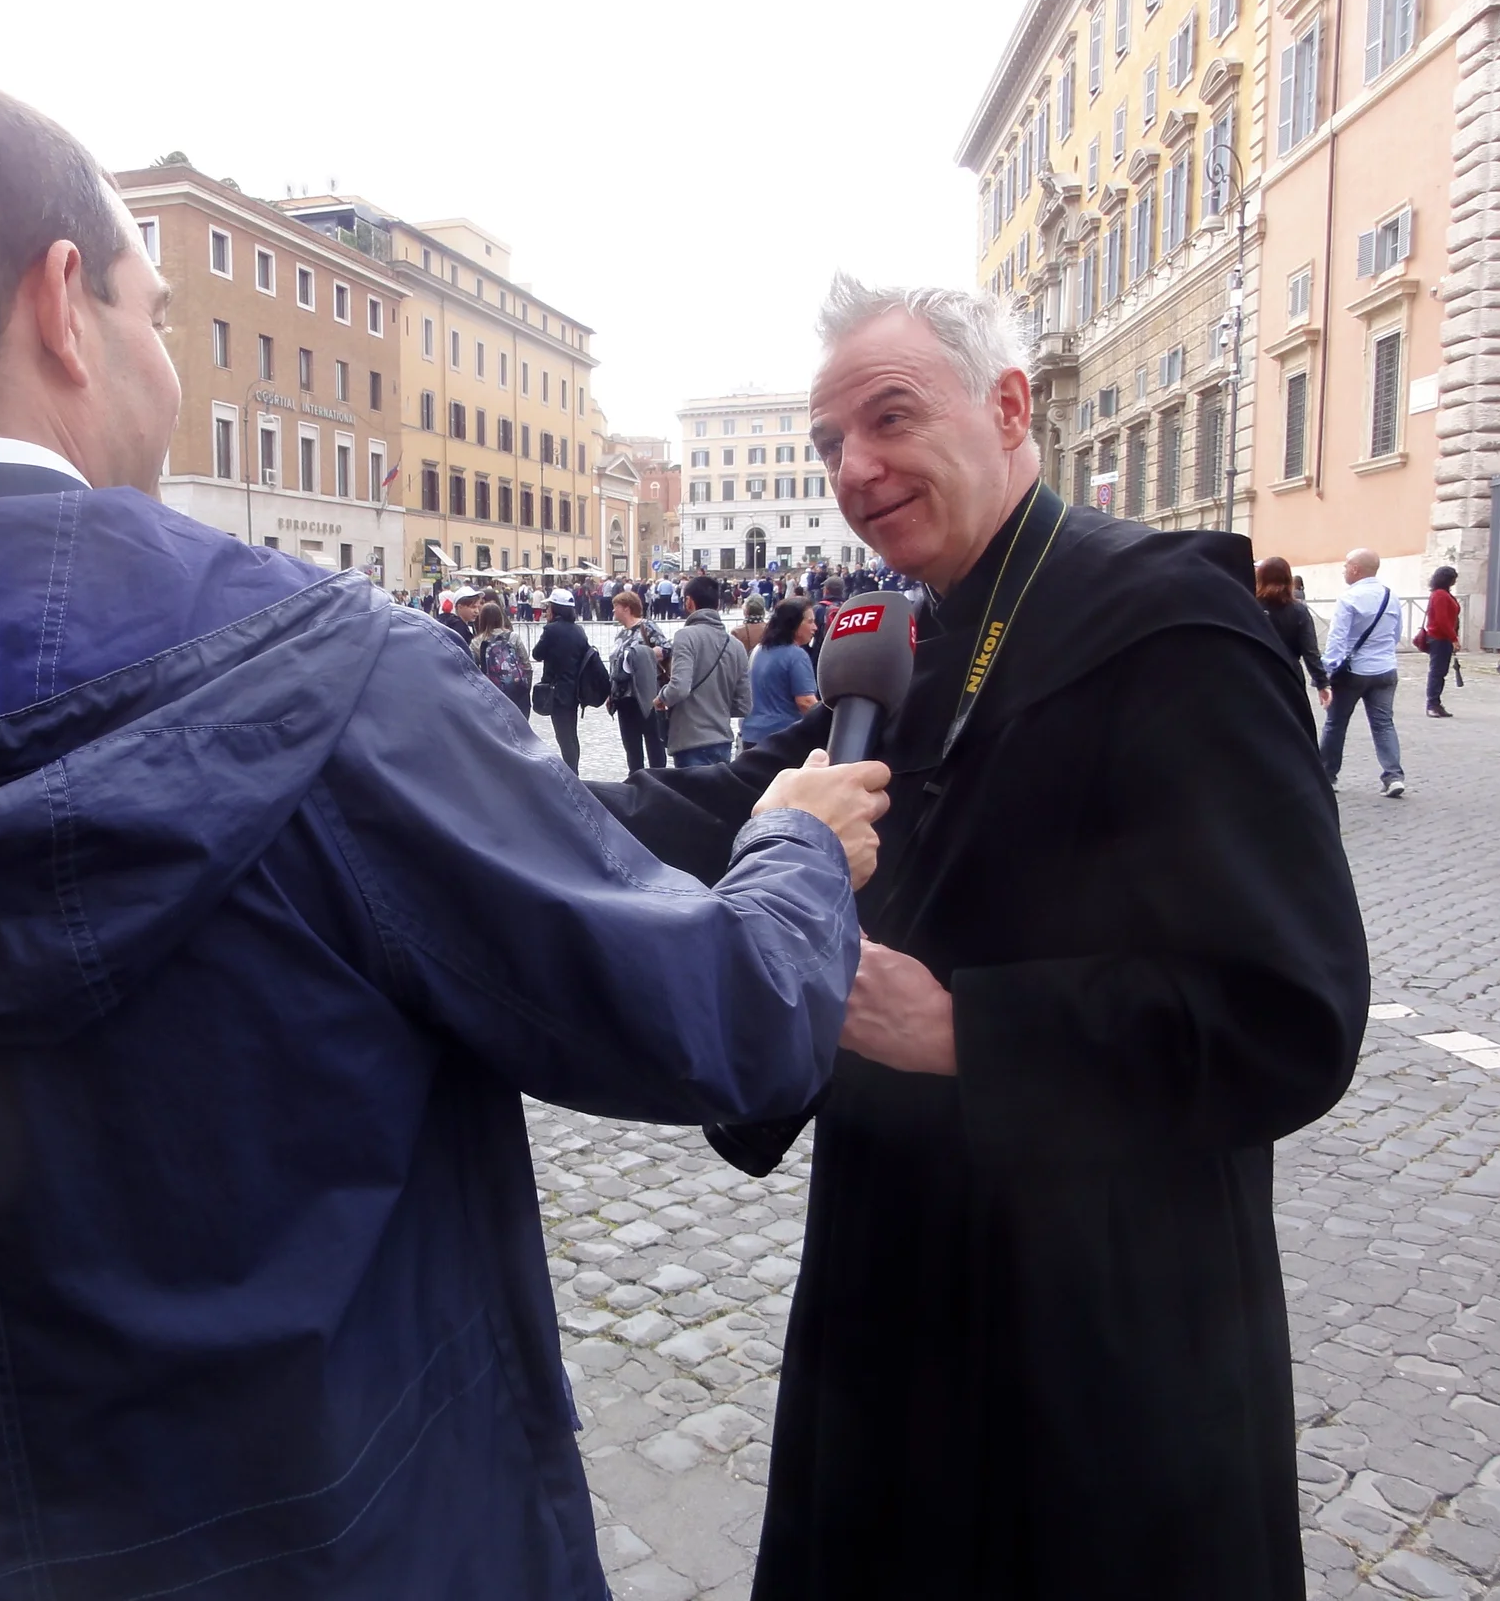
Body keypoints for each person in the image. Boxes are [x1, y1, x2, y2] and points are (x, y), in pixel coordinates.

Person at [0, 77, 900, 1601]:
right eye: (157, 310)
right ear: (64, 304)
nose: (163, 360)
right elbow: (710, 1022)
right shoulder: (347, 675)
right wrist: (787, 845)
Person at [586, 282, 1364, 1601]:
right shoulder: (904, 639)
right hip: (895, 1281)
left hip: (1102, 1328)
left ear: (1009, 406)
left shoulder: (1170, 631)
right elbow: (719, 799)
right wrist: (454, 798)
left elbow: (1289, 1017)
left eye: (890, 417)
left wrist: (966, 1031)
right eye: (830, 442)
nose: (855, 468)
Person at [1320, 547, 1407, 796]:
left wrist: (1327, 671)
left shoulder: (1349, 598)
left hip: (1353, 671)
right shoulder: (1391, 596)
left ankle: (1327, 776)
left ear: (1356, 569)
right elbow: (1396, 633)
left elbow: (1337, 640)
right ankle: (1393, 776)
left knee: (1336, 723)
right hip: (1385, 668)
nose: (1344, 570)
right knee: (1383, 724)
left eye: (1346, 565)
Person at [657, 574, 752, 768]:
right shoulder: (735, 645)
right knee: (716, 798)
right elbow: (744, 705)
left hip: (690, 739)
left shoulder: (685, 636)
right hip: (722, 739)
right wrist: (717, 708)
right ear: (717, 604)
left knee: (690, 798)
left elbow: (679, 687)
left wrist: (662, 698)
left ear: (689, 602)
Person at [1254, 554, 1329, 737]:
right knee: (1293, 728)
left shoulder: (1250, 605)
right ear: (1289, 579)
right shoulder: (1299, 611)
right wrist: (1322, 683)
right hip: (1289, 673)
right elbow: (1310, 651)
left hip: (1255, 672)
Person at [739, 598, 820, 750]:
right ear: (793, 624)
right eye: (809, 622)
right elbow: (806, 702)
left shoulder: (758, 650)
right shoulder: (796, 655)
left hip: (752, 735)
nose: (815, 627)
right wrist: (828, 723)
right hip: (782, 739)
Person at [531, 587, 591, 774]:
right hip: (574, 690)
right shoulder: (579, 631)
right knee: (571, 734)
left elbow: (537, 653)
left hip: (556, 691)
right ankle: (574, 770)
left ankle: (572, 774)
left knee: (564, 736)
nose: (547, 611)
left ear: (556, 609)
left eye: (549, 607)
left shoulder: (551, 630)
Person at [608, 590, 666, 772]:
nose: (613, 611)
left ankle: (659, 781)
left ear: (626, 608)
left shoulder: (646, 627)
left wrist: (641, 655)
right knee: (631, 747)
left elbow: (666, 648)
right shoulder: (620, 635)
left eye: (615, 607)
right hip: (623, 698)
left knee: (653, 742)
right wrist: (611, 693)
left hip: (644, 695)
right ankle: (637, 784)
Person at [473, 599, 532, 716]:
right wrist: (525, 687)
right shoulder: (513, 637)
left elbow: (473, 670)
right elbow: (526, 665)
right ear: (501, 617)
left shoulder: (476, 642)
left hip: (492, 693)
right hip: (516, 691)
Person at [1420, 564, 1462, 717]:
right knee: (1437, 672)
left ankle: (1436, 703)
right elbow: (1442, 620)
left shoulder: (1443, 594)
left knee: (1440, 671)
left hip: (1443, 637)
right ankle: (1432, 704)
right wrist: (1454, 638)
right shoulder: (1440, 595)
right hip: (1439, 637)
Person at [434, 588, 475, 656]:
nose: (477, 611)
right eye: (472, 607)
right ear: (459, 607)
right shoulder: (459, 627)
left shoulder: (458, 624)